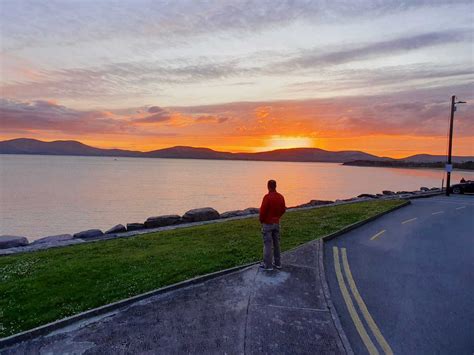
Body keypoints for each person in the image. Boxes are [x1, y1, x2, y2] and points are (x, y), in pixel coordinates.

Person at [259, 179, 286, 271]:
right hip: (276, 223)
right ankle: (278, 263)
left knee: (267, 244)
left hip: (267, 223)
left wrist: (262, 220)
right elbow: (283, 209)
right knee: (276, 244)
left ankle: (268, 265)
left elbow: (262, 211)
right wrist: (278, 217)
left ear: (268, 186)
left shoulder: (267, 197)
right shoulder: (281, 197)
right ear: (276, 186)